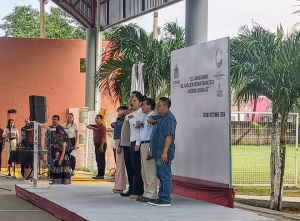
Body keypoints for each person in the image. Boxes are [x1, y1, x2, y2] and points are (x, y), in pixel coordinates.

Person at [148, 97, 177, 207]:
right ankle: (161, 197)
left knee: (165, 175)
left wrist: (165, 152)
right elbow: (150, 118)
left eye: (159, 105)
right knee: (160, 174)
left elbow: (169, 136)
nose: (157, 107)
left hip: (163, 152)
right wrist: (149, 119)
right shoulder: (160, 118)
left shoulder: (169, 119)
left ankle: (165, 198)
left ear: (166, 106)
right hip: (157, 152)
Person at [135, 98, 158, 202]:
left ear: (149, 106)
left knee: (150, 170)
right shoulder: (145, 117)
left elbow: (153, 135)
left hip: (149, 143)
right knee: (144, 170)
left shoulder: (153, 117)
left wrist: (150, 149)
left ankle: (151, 194)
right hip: (143, 143)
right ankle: (146, 192)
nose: (142, 106)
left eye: (144, 104)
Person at [120, 91, 138, 197]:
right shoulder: (129, 111)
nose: (131, 99)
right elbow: (120, 114)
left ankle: (134, 188)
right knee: (129, 167)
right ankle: (131, 187)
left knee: (133, 168)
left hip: (131, 143)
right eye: (130, 97)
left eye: (133, 98)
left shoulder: (137, 113)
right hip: (125, 143)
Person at [127, 92, 146, 200]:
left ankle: (139, 191)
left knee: (137, 167)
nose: (132, 102)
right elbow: (126, 118)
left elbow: (140, 131)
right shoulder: (135, 113)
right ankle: (134, 189)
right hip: (132, 141)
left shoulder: (141, 114)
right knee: (133, 167)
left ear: (140, 102)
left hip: (137, 142)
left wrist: (138, 143)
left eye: (134, 100)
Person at [108, 106, 128, 194]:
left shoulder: (125, 121)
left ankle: (120, 186)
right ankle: (118, 184)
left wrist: (120, 145)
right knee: (118, 164)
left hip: (121, 142)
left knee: (120, 165)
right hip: (117, 141)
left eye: (120, 110)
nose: (118, 112)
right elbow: (113, 126)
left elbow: (123, 134)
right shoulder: (119, 121)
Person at [87, 115, 107, 179]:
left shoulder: (102, 127)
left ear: (101, 119)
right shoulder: (96, 126)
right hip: (96, 144)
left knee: (101, 160)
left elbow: (103, 137)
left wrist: (101, 146)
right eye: (95, 118)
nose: (96, 120)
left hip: (101, 144)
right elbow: (88, 126)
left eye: (97, 118)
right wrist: (93, 128)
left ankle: (102, 174)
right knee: (98, 159)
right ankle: (98, 173)